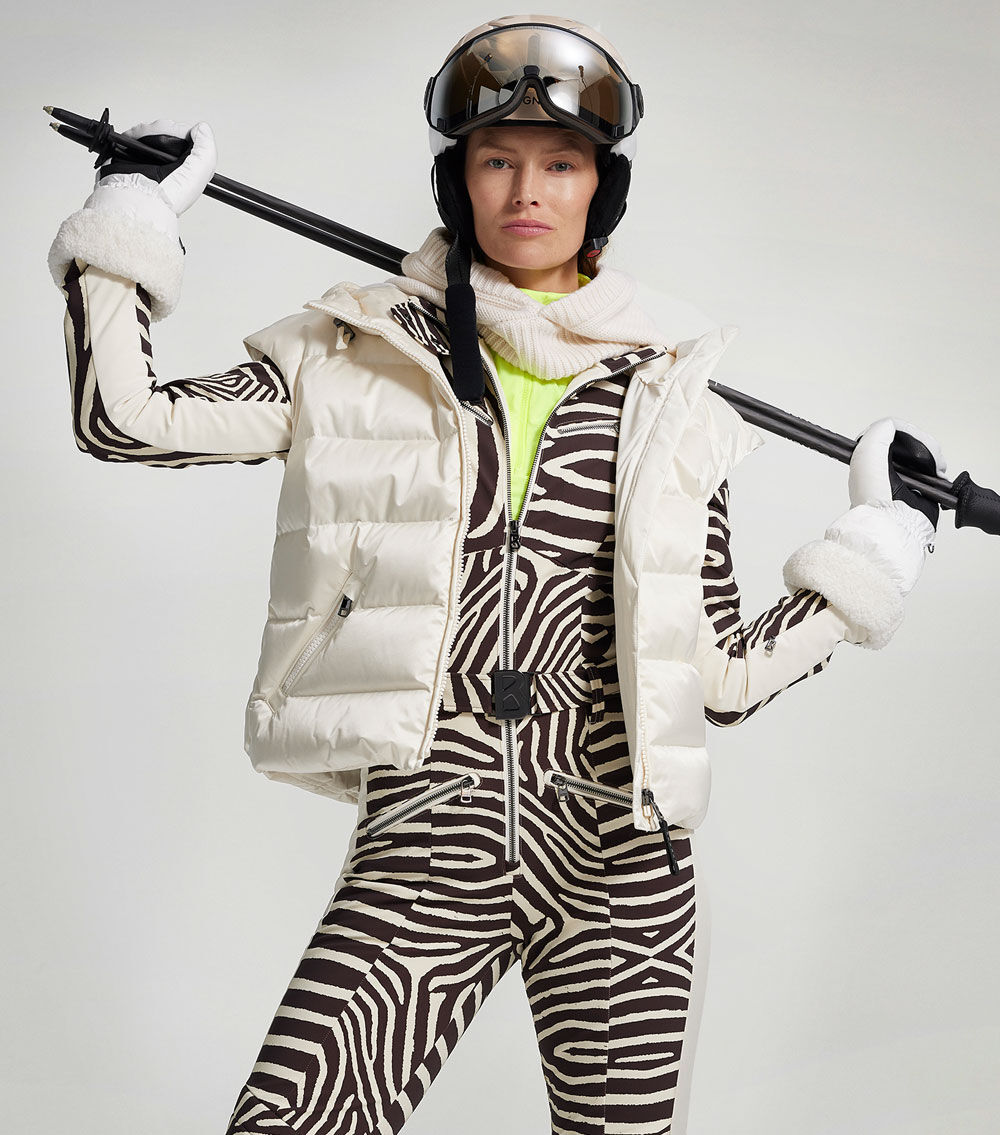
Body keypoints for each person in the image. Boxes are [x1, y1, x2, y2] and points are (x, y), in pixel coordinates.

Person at [47, 14, 946, 1135]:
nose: (527, 191)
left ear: (600, 189)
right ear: (457, 179)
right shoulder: (350, 349)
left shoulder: (676, 403)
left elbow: (719, 677)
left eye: (561, 163)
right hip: (430, 833)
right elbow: (126, 418)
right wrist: (131, 218)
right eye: (497, 160)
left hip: (623, 857)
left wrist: (877, 546)